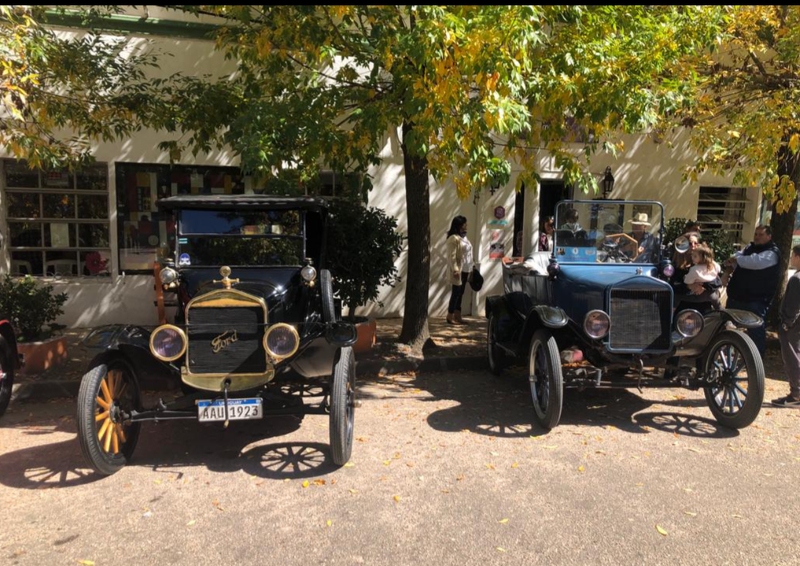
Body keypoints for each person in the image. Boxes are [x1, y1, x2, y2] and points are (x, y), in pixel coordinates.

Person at [723, 225, 781, 357]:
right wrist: (733, 261)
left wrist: (737, 259)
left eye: (761, 234)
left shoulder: (772, 252)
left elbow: (755, 262)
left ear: (769, 236)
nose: (757, 237)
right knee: (728, 326)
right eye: (756, 234)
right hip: (737, 297)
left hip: (757, 300)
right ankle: (726, 354)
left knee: (755, 331)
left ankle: (756, 359)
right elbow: (735, 257)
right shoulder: (749, 248)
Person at [774, 245, 800, 407]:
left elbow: (793, 305)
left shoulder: (797, 279)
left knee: (792, 356)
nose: (791, 258)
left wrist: (786, 323)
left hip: (793, 325)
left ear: (798, 257)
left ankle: (796, 394)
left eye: (792, 255)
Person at [675, 244, 721, 313]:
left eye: (695, 256)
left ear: (703, 258)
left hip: (699, 296)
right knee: (719, 308)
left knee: (676, 297)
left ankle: (672, 311)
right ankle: (726, 319)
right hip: (712, 295)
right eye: (692, 255)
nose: (692, 257)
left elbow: (687, 281)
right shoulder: (714, 265)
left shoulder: (695, 269)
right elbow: (718, 272)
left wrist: (685, 277)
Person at [446, 216, 473, 325]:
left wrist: (472, 266)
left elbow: (468, 254)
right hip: (458, 270)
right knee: (456, 293)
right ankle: (450, 316)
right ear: (459, 225)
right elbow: (451, 256)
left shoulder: (464, 237)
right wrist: (455, 270)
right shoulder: (453, 238)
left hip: (466, 269)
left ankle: (458, 316)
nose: (466, 226)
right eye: (464, 224)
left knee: (461, 293)